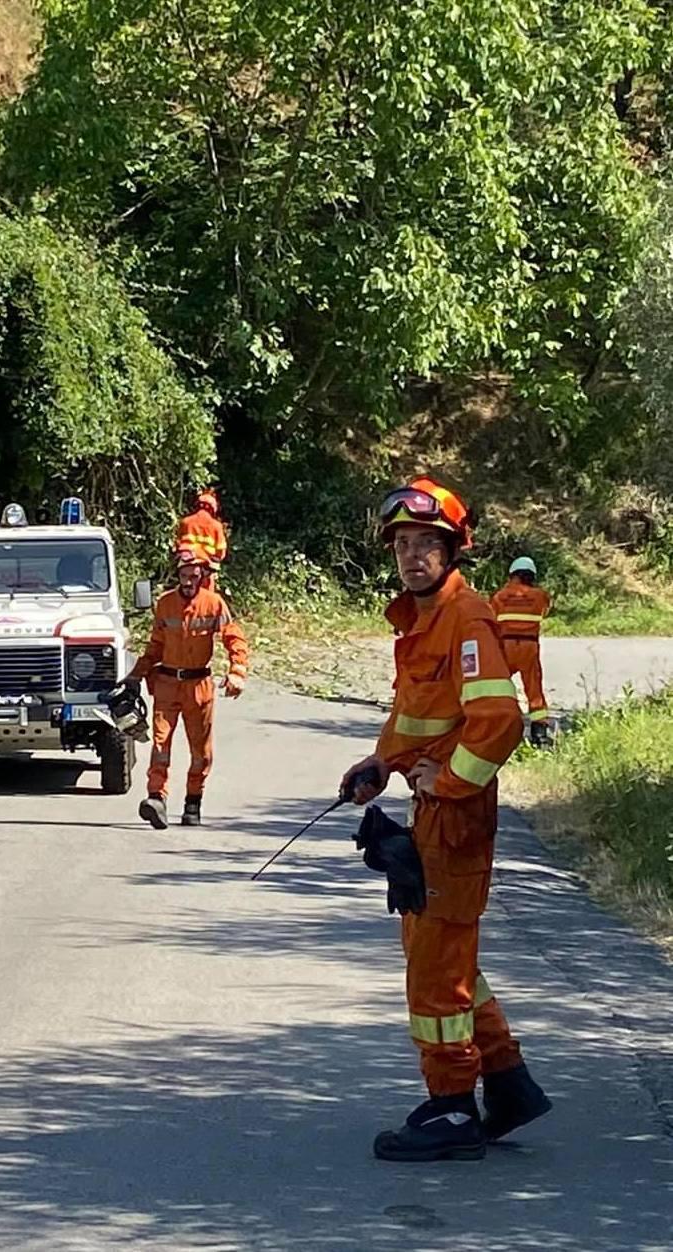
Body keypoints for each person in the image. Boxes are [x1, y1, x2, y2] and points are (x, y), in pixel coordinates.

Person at [341, 477, 551, 1162]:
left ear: (453, 549)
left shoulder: (467, 620)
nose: (412, 555)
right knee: (449, 959)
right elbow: (413, 717)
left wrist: (452, 780)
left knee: (435, 971)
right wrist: (380, 766)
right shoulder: (422, 622)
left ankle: (454, 1108)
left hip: (455, 819)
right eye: (402, 544)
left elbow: (500, 720)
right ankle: (507, 1082)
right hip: (430, 812)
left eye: (426, 543)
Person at [126, 545, 248, 829]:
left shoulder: (214, 604)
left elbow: (234, 638)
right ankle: (156, 798)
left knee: (201, 752)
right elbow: (155, 646)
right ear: (178, 575)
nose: (189, 581)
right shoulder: (165, 604)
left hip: (199, 687)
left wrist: (237, 671)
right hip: (167, 684)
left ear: (203, 575)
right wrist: (135, 675)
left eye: (194, 575)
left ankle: (193, 803)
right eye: (184, 575)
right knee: (160, 745)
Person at [490, 556, 552, 747]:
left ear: (511, 574)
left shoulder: (499, 596)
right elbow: (545, 611)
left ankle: (494, 728)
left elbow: (490, 619)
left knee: (496, 687)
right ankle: (539, 733)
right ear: (532, 575)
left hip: (505, 647)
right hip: (529, 647)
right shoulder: (540, 596)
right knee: (534, 691)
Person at [175, 489, 228, 574]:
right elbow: (221, 552)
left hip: (186, 563)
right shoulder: (217, 526)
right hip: (206, 565)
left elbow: (177, 544)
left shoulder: (185, 522)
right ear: (213, 509)